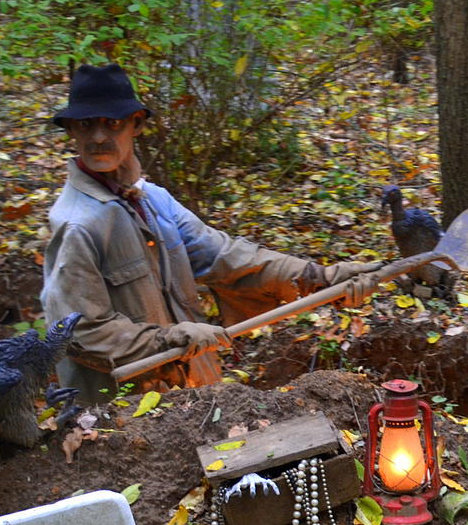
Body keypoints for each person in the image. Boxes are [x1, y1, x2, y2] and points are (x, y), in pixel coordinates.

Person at [42, 64, 378, 405]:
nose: (99, 138)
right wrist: (168, 339)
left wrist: (320, 279)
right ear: (71, 129)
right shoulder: (78, 225)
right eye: (86, 125)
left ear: (137, 124)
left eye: (112, 124)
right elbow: (78, 332)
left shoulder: (152, 200)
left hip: (188, 397)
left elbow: (225, 258)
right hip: (120, 418)